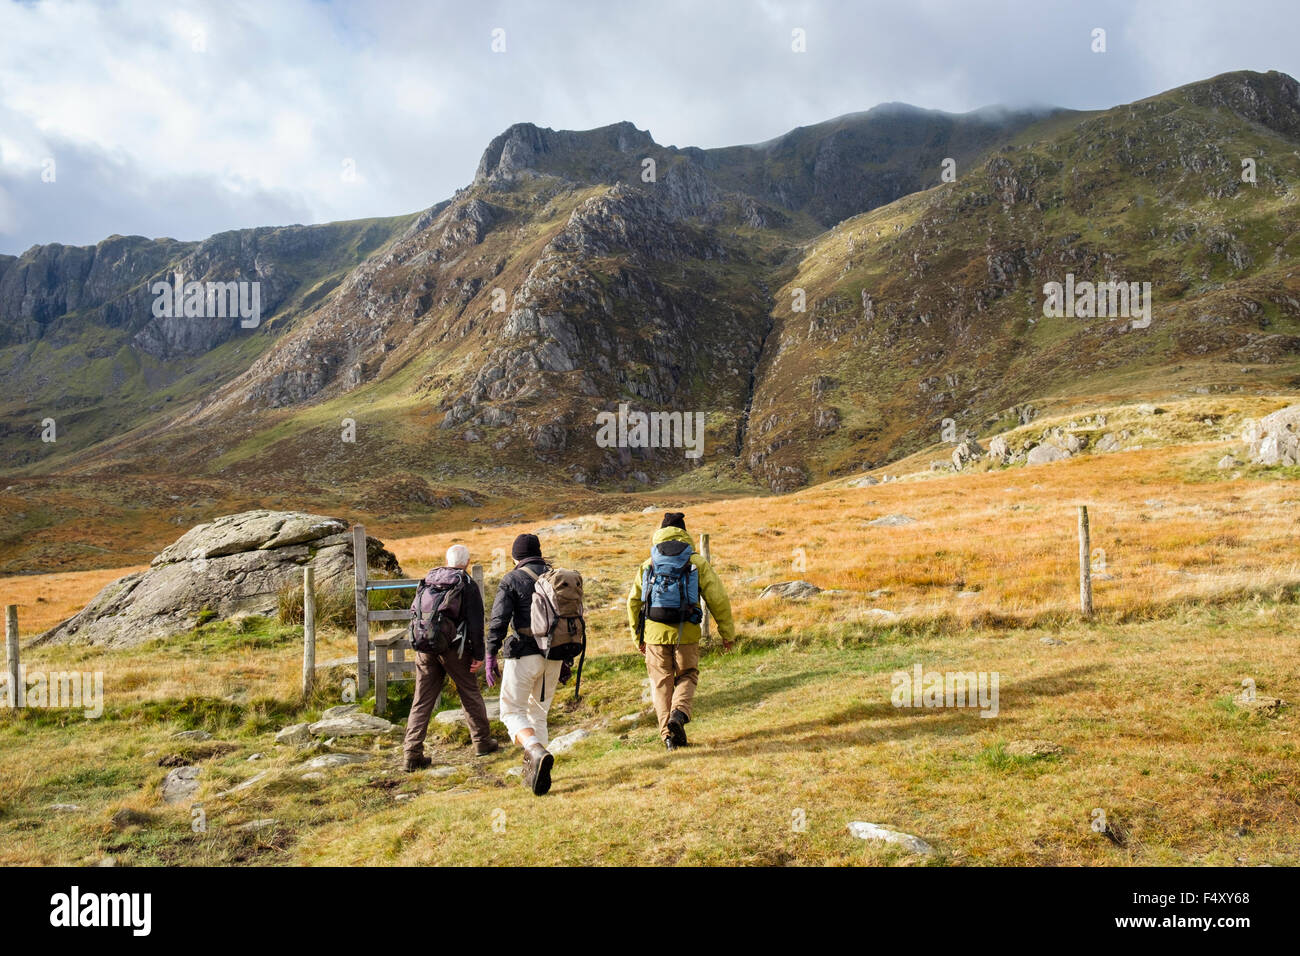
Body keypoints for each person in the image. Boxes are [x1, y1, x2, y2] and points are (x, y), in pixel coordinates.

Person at [627, 512, 735, 750]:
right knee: (687, 675)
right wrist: (727, 634)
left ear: (661, 532)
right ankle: (679, 714)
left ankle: (668, 737)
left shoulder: (649, 563)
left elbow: (634, 602)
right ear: (684, 533)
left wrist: (638, 637)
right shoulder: (695, 561)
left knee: (661, 684)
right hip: (686, 632)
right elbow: (717, 598)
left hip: (654, 635)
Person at [403, 544, 499, 771]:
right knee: (469, 693)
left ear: (446, 560)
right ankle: (482, 742)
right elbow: (476, 624)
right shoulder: (466, 584)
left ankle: (411, 753)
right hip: (456, 650)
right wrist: (478, 655)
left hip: (425, 647)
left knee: (422, 700)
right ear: (466, 562)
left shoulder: (428, 580)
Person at [487, 533, 562, 795]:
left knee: (511, 711)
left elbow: (499, 620)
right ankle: (538, 775)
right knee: (538, 713)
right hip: (554, 655)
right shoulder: (556, 576)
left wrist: (490, 654)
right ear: (539, 553)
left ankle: (535, 750)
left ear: (515, 557)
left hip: (523, 655)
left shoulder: (512, 579)